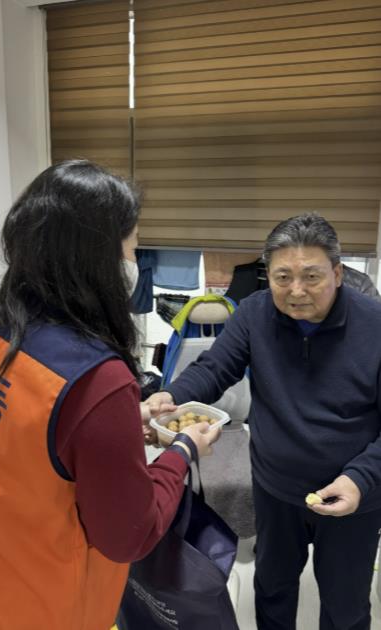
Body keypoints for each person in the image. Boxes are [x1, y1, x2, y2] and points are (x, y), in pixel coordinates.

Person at [0, 160, 219, 630]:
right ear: (96, 257)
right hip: (25, 613)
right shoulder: (97, 378)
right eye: (132, 245)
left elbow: (19, 445)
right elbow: (127, 536)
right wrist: (181, 451)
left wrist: (121, 420)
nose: (134, 262)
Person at [145, 212, 381, 630]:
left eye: (311, 276)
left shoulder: (374, 325)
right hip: (276, 488)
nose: (296, 291)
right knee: (272, 588)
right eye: (282, 277)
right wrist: (171, 396)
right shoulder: (255, 314)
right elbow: (215, 368)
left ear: (337, 273)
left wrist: (361, 479)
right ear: (268, 276)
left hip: (353, 494)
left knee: (346, 605)